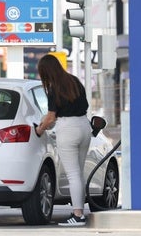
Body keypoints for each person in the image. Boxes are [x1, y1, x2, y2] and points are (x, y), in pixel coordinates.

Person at [35, 54, 92, 227]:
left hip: (67, 129)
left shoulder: (54, 88)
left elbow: (51, 117)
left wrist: (39, 129)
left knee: (73, 174)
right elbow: (86, 105)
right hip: (84, 126)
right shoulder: (73, 81)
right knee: (78, 173)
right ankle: (79, 212)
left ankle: (77, 215)